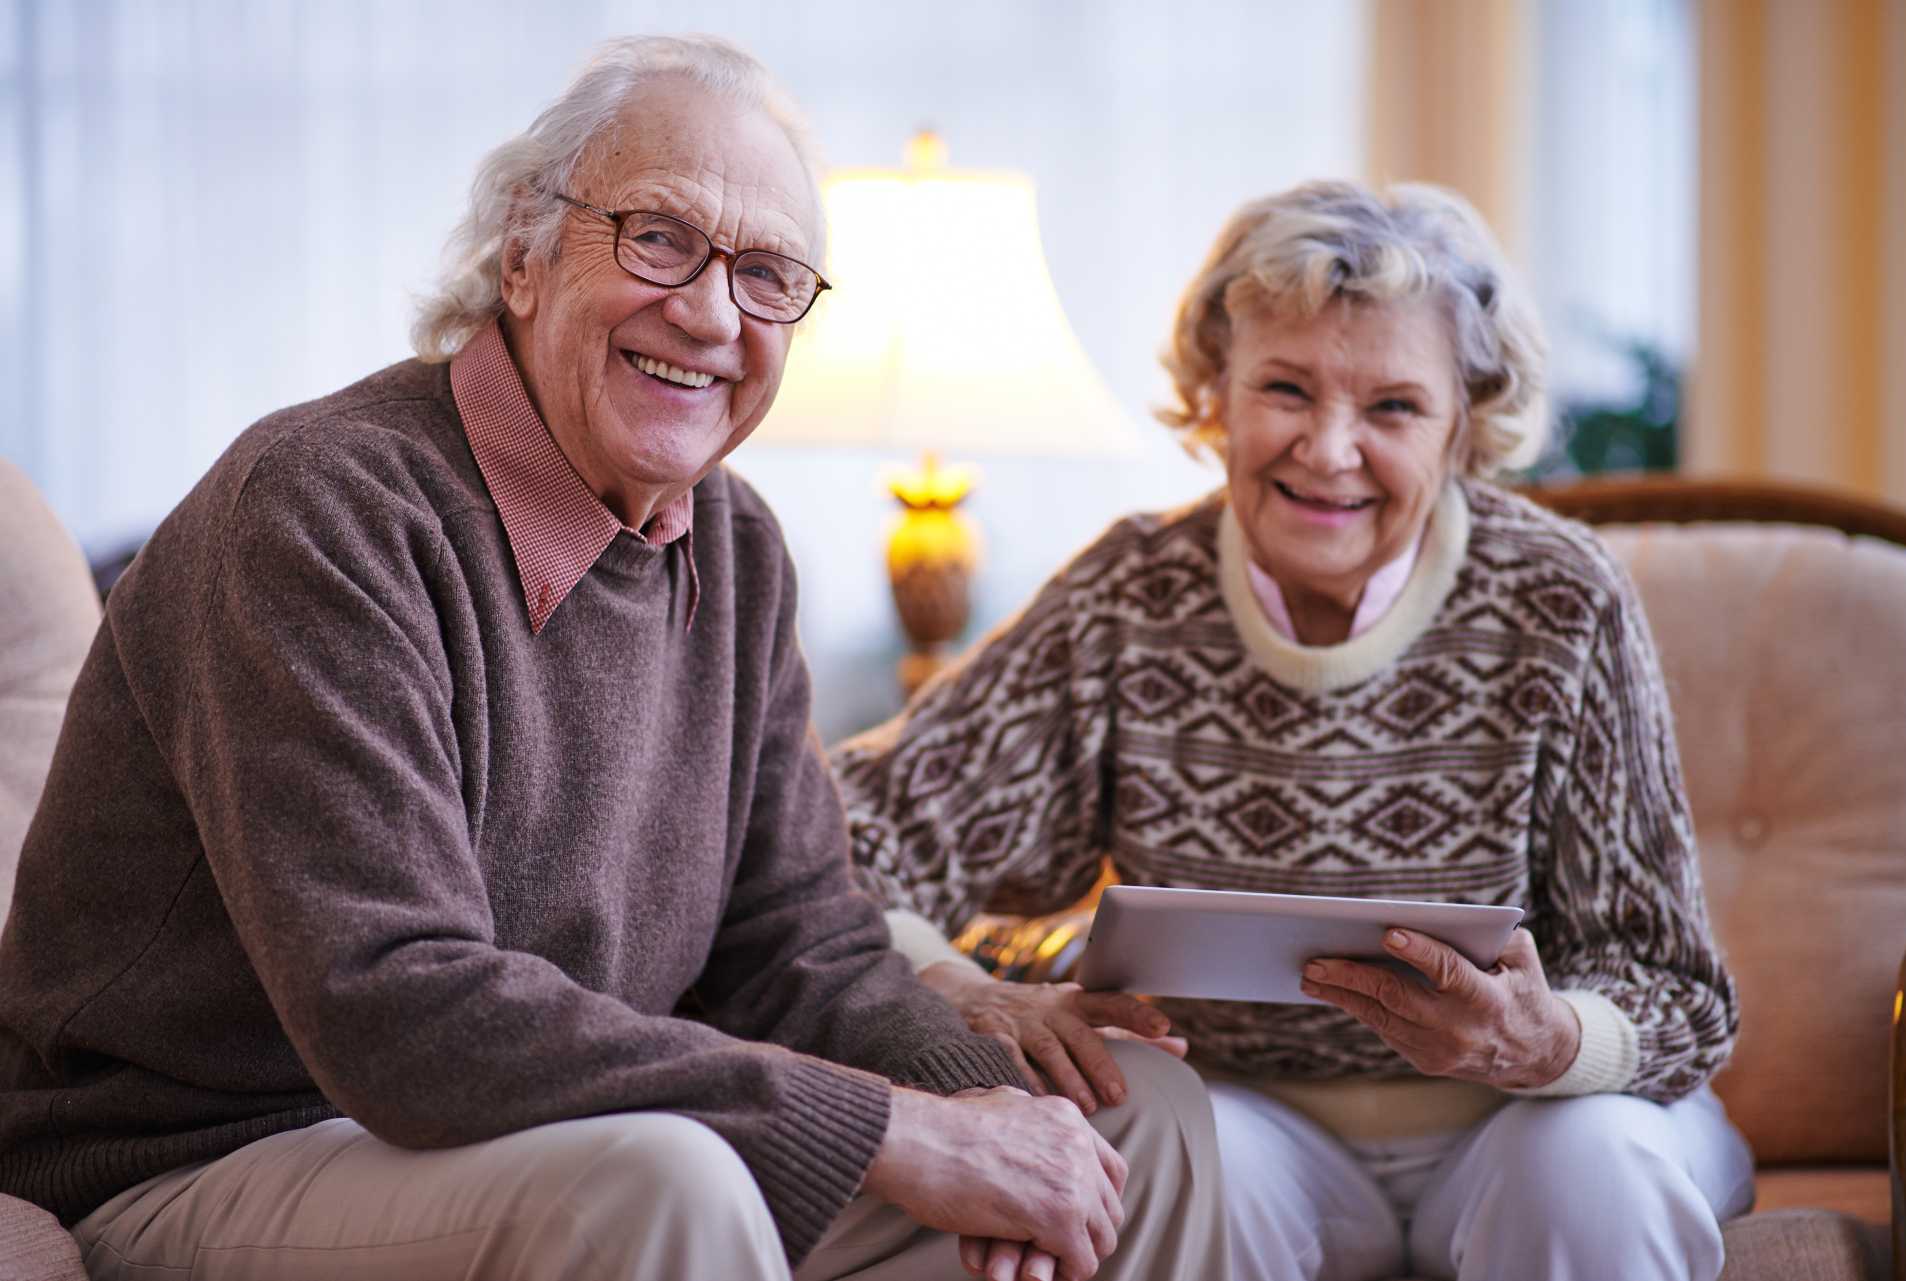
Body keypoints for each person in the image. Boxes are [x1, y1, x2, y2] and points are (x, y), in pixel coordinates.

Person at [0, 36, 1227, 1281]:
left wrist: (1003, 1116)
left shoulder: (737, 545)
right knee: (662, 1178)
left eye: (767, 276)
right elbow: (395, 1007)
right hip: (213, 1154)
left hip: (546, 1134)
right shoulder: (321, 509)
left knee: (1137, 1127)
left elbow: (798, 948)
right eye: (658, 239)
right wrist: (895, 1132)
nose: (709, 314)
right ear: (523, 257)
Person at [833, 179, 1756, 1281]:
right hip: (1256, 1122)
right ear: (1215, 392)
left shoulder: (1561, 598)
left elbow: (1682, 992)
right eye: (1286, 388)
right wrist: (974, 986)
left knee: (1590, 1169)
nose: (1327, 451)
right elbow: (841, 841)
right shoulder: (1131, 595)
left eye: (1393, 408)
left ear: (1466, 423)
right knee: (1141, 1165)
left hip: (1541, 1115)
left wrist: (1544, 1038)